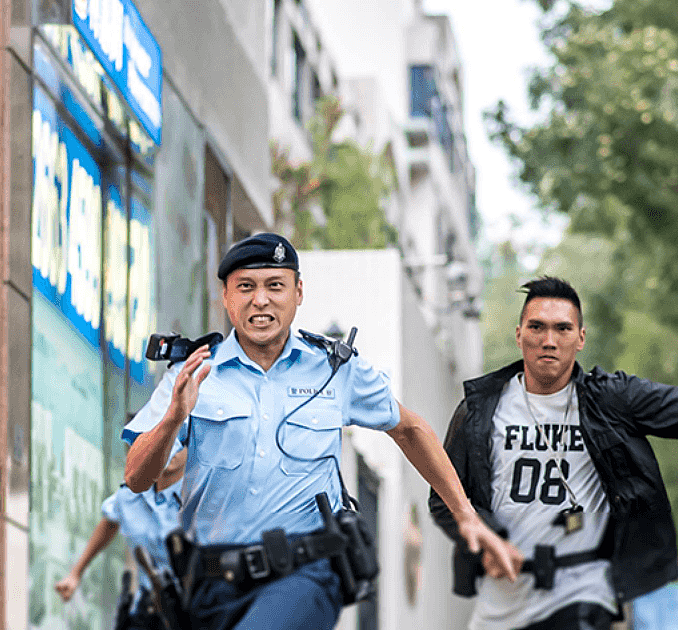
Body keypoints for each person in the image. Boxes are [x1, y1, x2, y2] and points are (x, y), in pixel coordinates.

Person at [122, 233, 520, 630]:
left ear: (298, 293)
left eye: (274, 286)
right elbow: (137, 477)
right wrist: (174, 416)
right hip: (208, 586)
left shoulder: (334, 368)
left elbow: (410, 428)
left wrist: (466, 515)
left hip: (304, 573)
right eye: (246, 287)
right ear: (226, 297)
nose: (260, 300)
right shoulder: (191, 373)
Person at [429, 276, 678, 630]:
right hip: (506, 589)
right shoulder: (479, 411)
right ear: (519, 335)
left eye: (562, 329)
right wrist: (487, 539)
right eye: (537, 328)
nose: (549, 341)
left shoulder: (611, 400)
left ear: (580, 338)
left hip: (583, 583)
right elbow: (445, 495)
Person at [55, 449, 187, 630]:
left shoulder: (200, 493)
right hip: (149, 608)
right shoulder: (129, 494)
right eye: (169, 439)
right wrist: (75, 573)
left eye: (182, 442)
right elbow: (109, 521)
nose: (173, 448)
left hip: (194, 606)